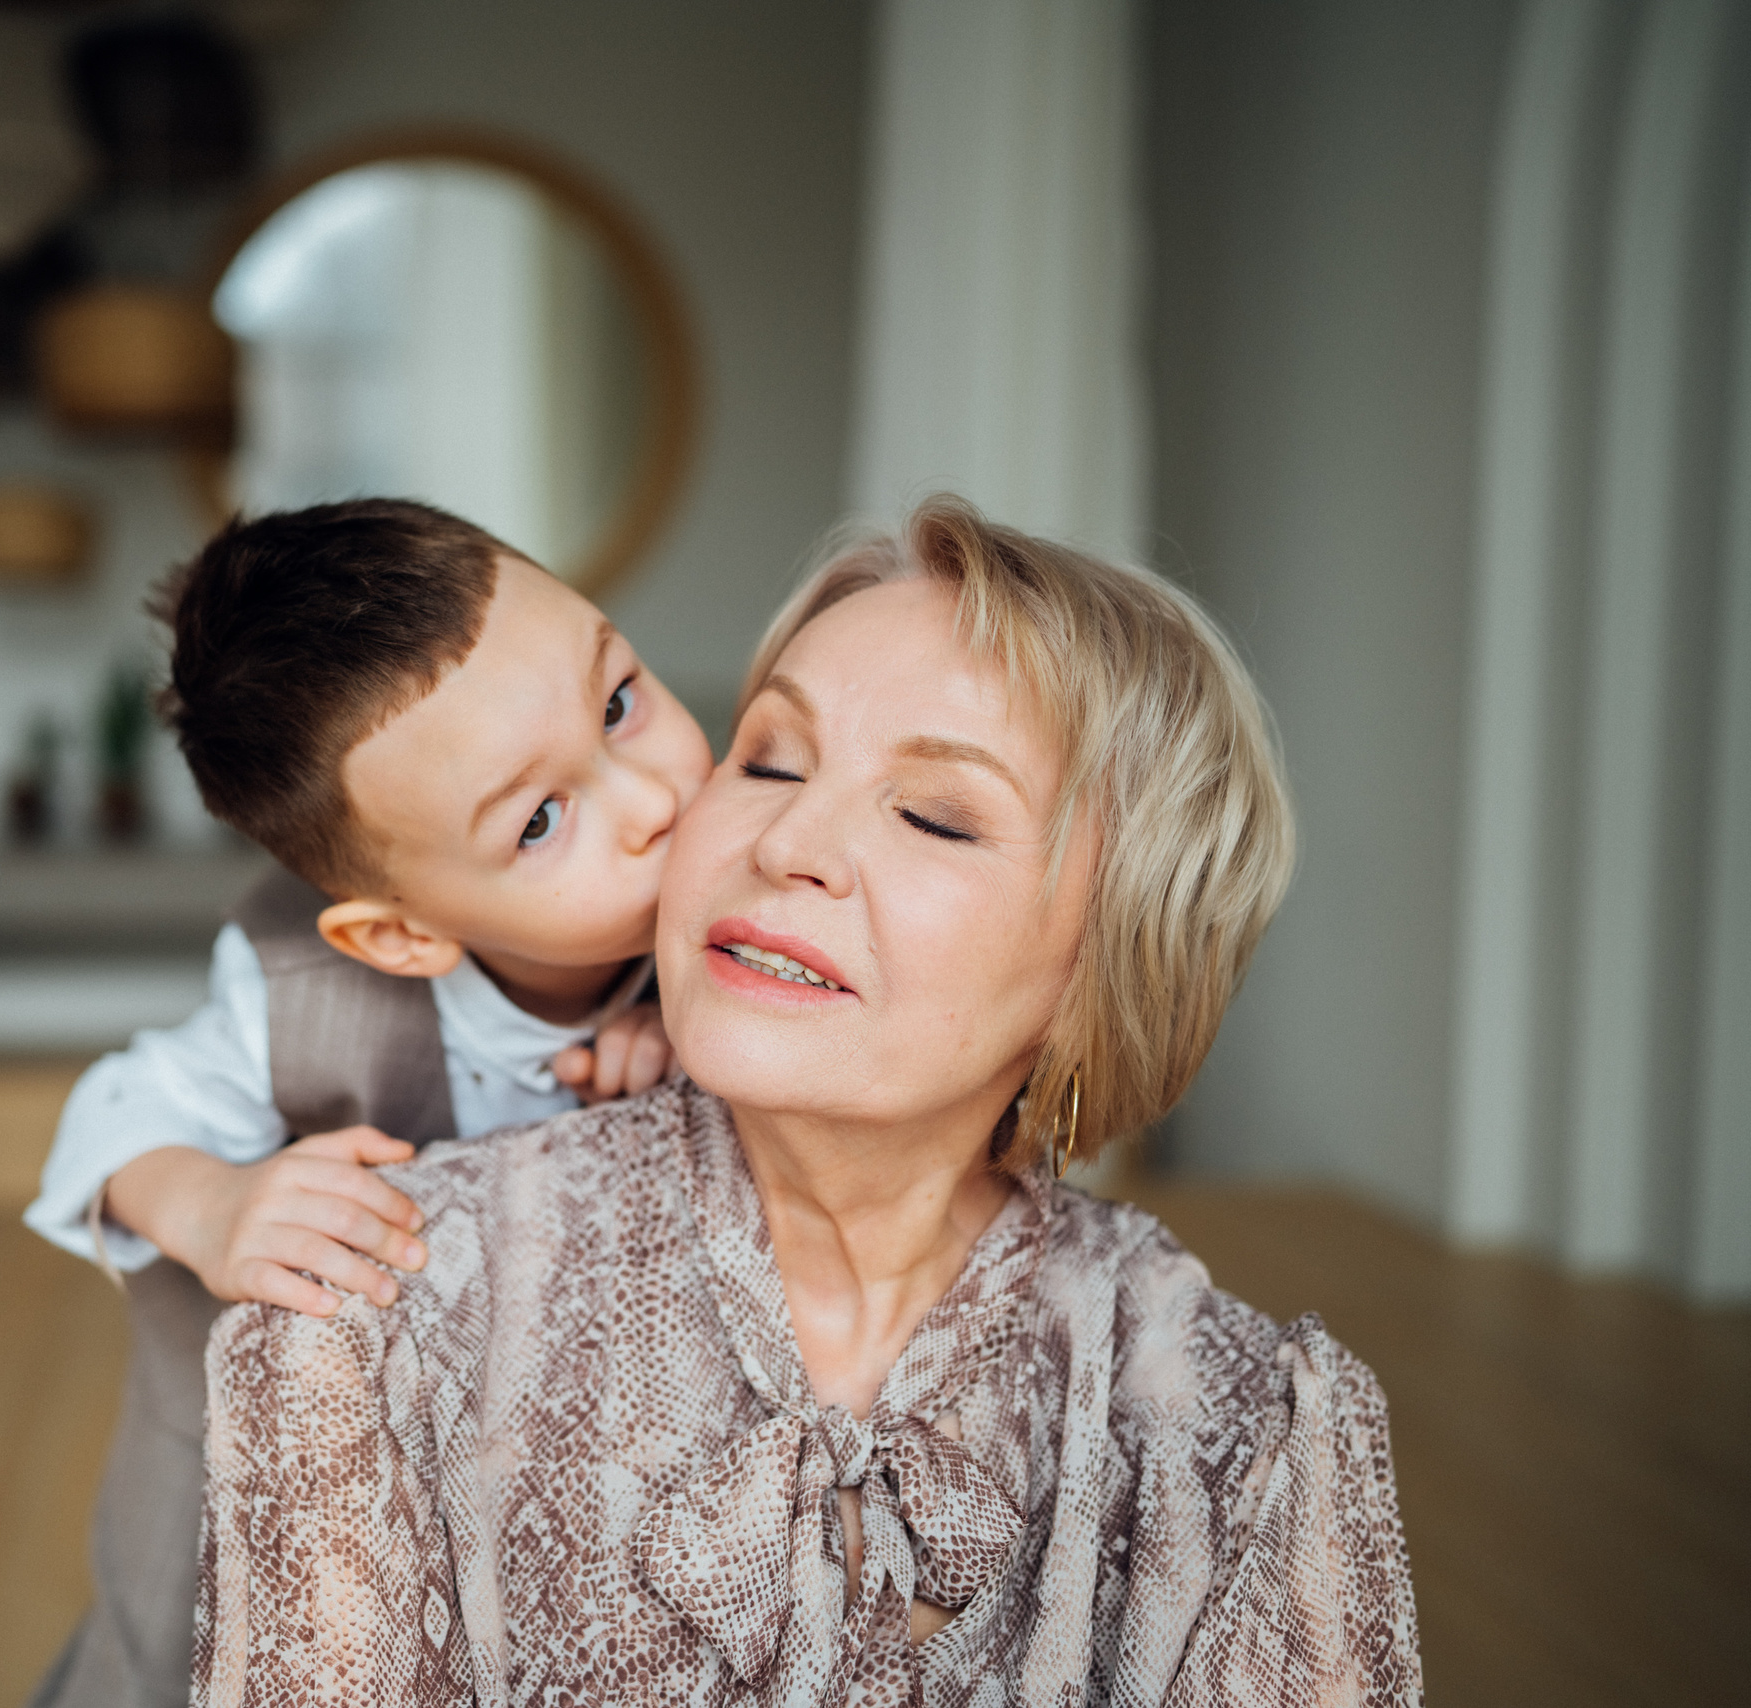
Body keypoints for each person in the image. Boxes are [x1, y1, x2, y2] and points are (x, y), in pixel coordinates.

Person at [195, 497, 1421, 1706]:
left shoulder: (1244, 1430)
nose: (785, 840)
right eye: (770, 757)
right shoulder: (365, 1316)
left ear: (1113, 956)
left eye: (935, 816)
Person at [22, 500, 710, 1708]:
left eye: (616, 702)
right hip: (255, 1454)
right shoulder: (294, 989)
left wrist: (696, 1044)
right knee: (177, 1638)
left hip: (544, 1460)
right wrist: (213, 1203)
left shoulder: (732, 894)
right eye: (540, 820)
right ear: (398, 936)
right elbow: (113, 1111)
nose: (654, 798)